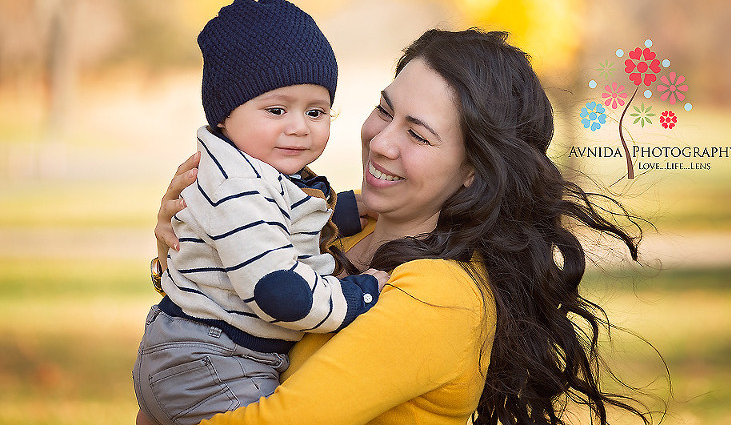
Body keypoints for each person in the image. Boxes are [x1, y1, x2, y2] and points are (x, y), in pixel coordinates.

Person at [153, 28, 654, 425]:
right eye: (384, 111)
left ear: (473, 170)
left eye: (416, 134)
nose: (381, 142)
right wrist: (188, 245)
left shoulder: (439, 295)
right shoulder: (338, 233)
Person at [133, 0, 388, 425]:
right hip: (215, 362)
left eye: (316, 111)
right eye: (276, 110)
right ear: (223, 116)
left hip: (192, 350)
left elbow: (280, 224)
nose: (298, 126)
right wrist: (359, 293)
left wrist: (341, 212)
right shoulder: (240, 188)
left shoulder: (252, 171)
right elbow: (278, 291)